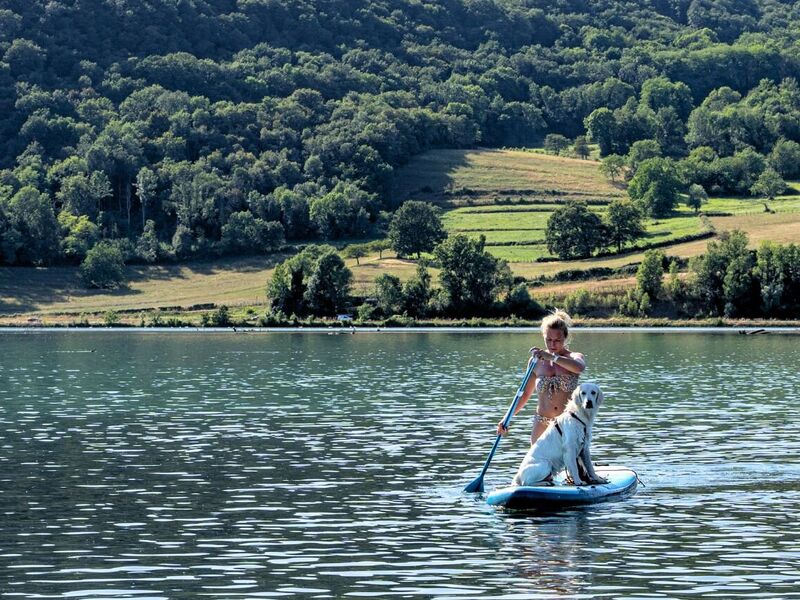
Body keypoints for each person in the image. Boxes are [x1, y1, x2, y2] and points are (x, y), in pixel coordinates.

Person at [497, 310, 586, 445]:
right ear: (543, 337)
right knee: (534, 457)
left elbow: (579, 368)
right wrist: (506, 418)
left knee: (569, 457)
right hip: (542, 422)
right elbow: (524, 394)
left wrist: (552, 357)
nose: (552, 344)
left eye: (557, 340)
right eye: (548, 340)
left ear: (565, 337)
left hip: (567, 422)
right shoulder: (535, 362)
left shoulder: (574, 357)